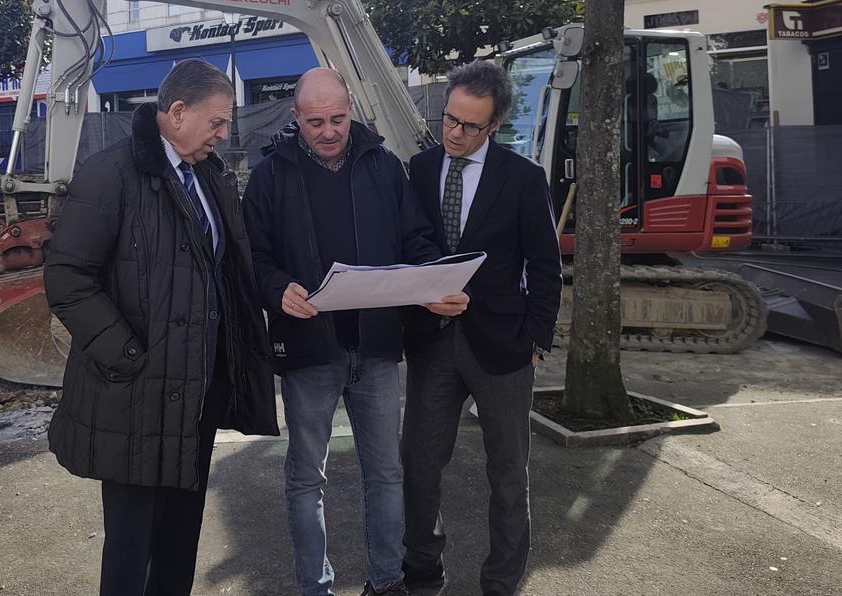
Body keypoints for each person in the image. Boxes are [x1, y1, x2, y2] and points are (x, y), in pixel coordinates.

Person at [44, 57, 279, 596]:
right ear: (176, 112)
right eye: (217, 122)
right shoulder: (112, 173)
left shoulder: (209, 176)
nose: (223, 135)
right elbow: (67, 278)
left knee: (179, 540)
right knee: (130, 551)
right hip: (135, 396)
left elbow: (223, 272)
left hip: (194, 394)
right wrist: (130, 358)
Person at [243, 67, 461, 596]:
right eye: (315, 121)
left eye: (338, 118)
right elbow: (252, 255)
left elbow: (416, 241)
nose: (328, 130)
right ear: (296, 118)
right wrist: (277, 289)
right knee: (304, 478)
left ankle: (386, 583)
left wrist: (433, 283)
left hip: (378, 348)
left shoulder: (384, 167)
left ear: (351, 112)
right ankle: (314, 587)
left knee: (386, 473)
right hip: (309, 348)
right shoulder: (270, 175)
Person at [401, 61, 562, 596]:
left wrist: (539, 337)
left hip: (504, 346)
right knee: (420, 468)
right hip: (431, 344)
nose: (454, 133)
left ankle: (502, 581)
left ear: (493, 126)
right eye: (449, 119)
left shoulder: (523, 179)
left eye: (470, 126)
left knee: (508, 476)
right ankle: (423, 573)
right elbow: (409, 246)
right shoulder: (420, 170)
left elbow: (544, 264)